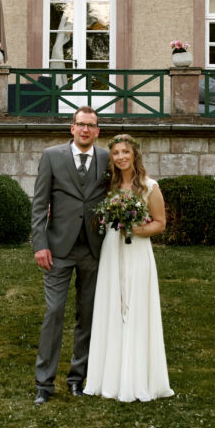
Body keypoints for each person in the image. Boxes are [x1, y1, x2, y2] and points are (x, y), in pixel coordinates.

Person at [84, 134, 173, 402]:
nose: (121, 157)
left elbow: (160, 223)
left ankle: (136, 378)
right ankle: (108, 376)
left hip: (136, 249)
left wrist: (135, 228)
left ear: (135, 155)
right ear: (111, 157)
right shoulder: (108, 188)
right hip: (112, 249)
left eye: (126, 152)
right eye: (116, 153)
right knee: (112, 305)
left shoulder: (148, 186)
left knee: (135, 307)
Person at [29, 105, 107, 404]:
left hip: (93, 249)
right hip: (57, 249)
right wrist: (40, 244)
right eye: (80, 124)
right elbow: (39, 203)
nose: (85, 129)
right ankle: (44, 385)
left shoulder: (105, 158)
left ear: (97, 131)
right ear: (71, 128)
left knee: (87, 316)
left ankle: (77, 378)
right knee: (54, 313)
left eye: (91, 125)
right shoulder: (52, 156)